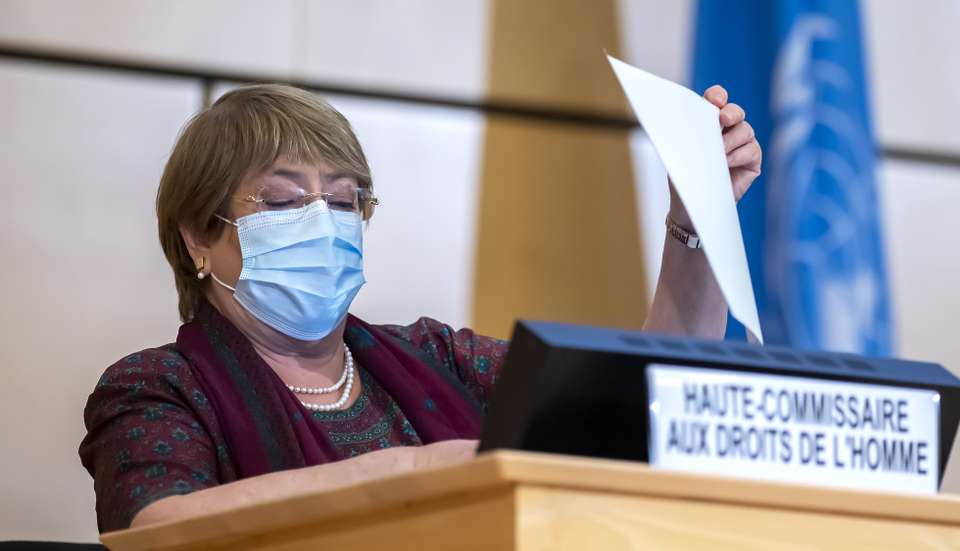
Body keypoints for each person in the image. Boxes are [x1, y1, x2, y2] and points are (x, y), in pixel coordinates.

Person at [79, 83, 761, 532]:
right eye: (285, 202)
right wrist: (408, 472)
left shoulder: (439, 358)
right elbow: (157, 526)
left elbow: (634, 409)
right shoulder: (156, 388)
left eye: (344, 200)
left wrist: (695, 213)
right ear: (199, 235)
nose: (322, 221)